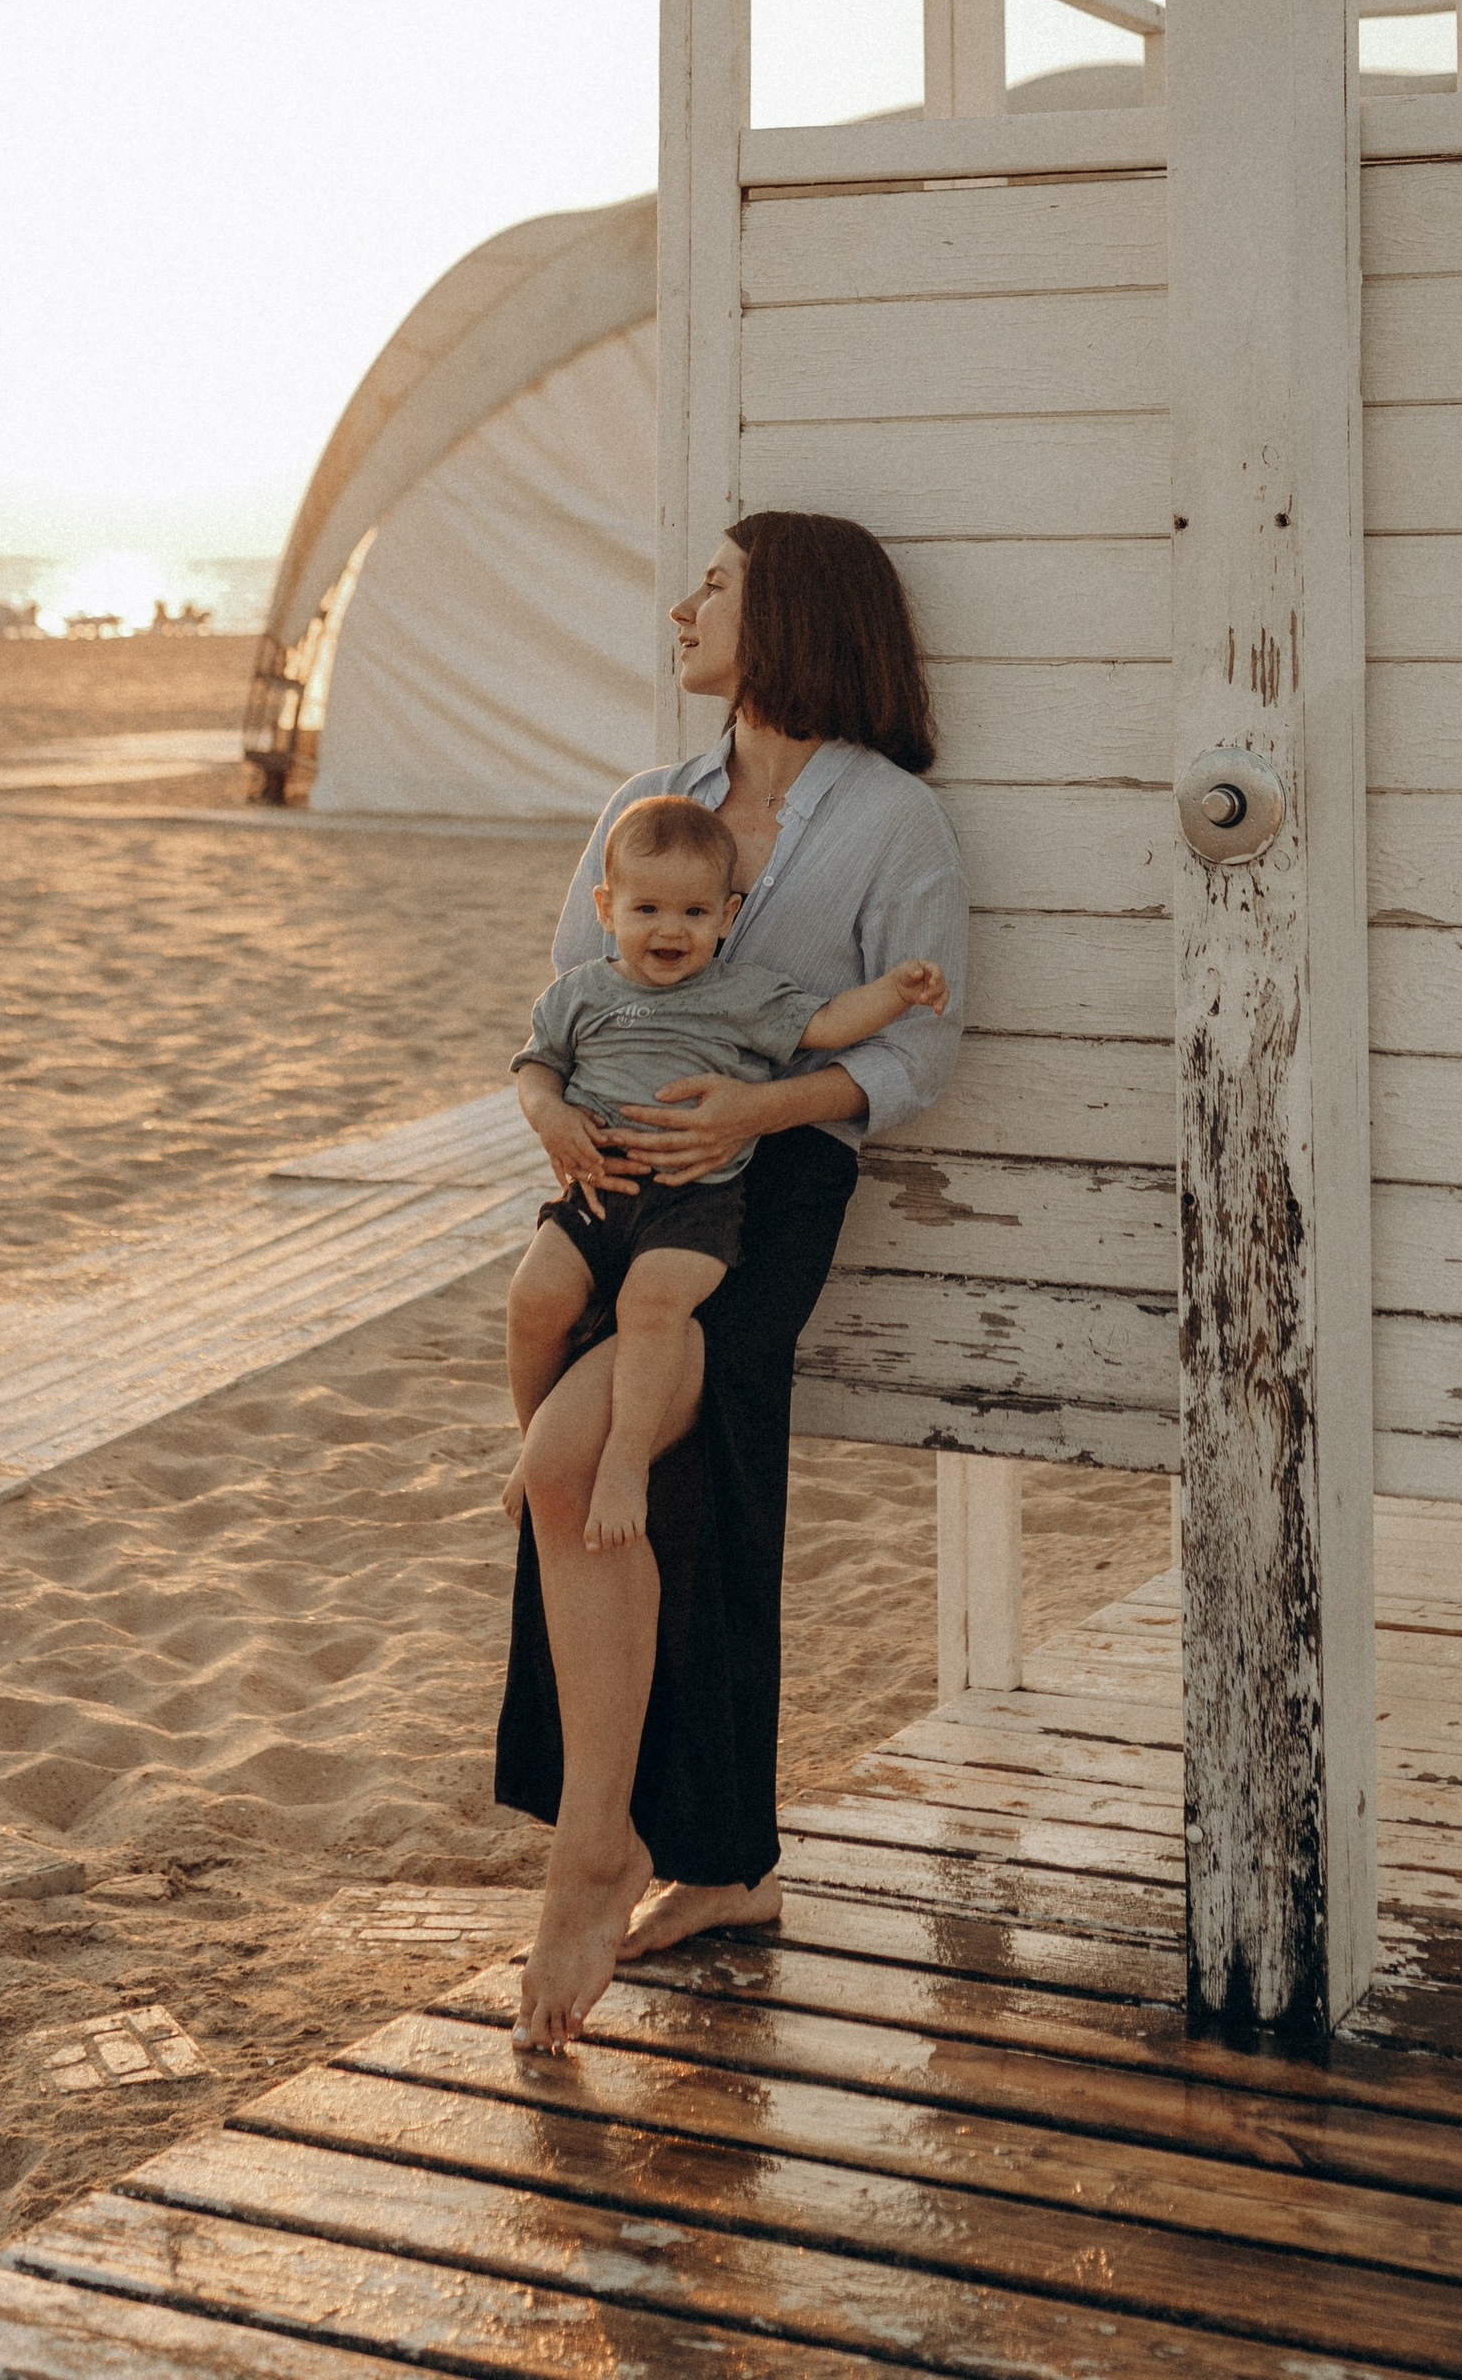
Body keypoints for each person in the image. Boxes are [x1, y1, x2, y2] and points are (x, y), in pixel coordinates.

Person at [495, 507, 965, 2053]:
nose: (685, 607)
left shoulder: (892, 819)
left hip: (769, 1201)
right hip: (618, 1181)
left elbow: (918, 1049)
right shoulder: (654, 803)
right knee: (619, 1496)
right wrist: (557, 1121)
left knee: (578, 1470)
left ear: (799, 618)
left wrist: (757, 1113)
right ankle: (717, 1867)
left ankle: (597, 1850)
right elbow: (567, 997)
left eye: (719, 586)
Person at [505, 786, 950, 1551]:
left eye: (694, 912)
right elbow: (536, 1067)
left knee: (652, 1305)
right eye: (647, 909)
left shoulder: (741, 994)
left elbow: (828, 1024)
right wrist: (550, 1116)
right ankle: (533, 1441)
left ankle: (624, 1460)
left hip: (694, 1203)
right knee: (533, 1298)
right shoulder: (580, 993)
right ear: (606, 908)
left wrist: (895, 992)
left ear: (727, 916)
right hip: (597, 1189)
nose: (670, 929)